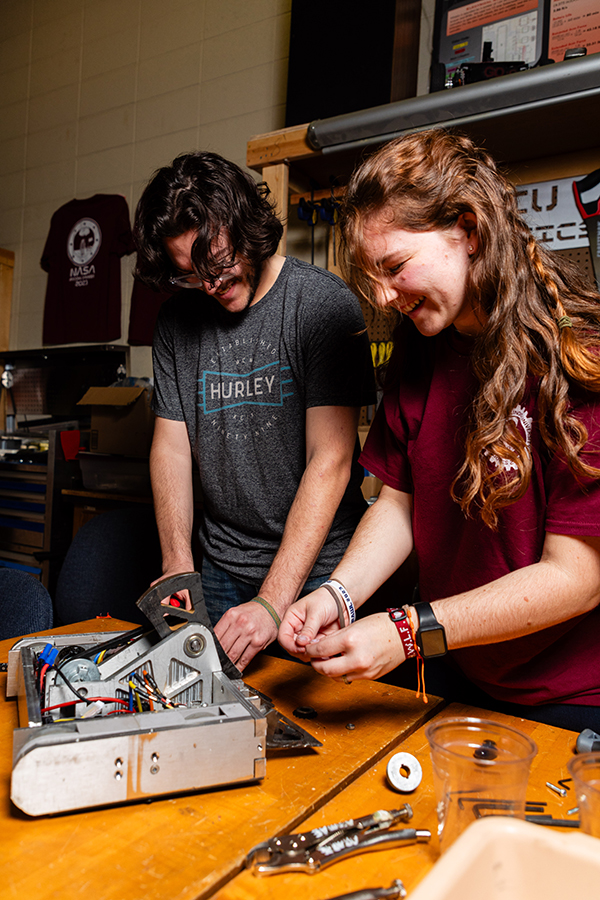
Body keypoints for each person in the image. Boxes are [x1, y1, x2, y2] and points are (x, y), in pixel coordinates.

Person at [278, 129, 600, 732]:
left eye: (395, 267)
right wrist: (338, 596)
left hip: (572, 700)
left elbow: (577, 577)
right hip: (461, 675)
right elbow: (401, 504)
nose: (382, 295)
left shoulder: (579, 357)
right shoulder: (423, 347)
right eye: (372, 276)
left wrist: (408, 631)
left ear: (468, 231)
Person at [133, 151, 375, 670]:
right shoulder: (177, 322)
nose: (213, 287)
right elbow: (171, 446)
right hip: (219, 566)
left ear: (247, 227)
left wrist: (273, 600)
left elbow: (330, 460)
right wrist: (178, 565)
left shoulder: (320, 305)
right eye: (192, 276)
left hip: (319, 570)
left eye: (219, 266)